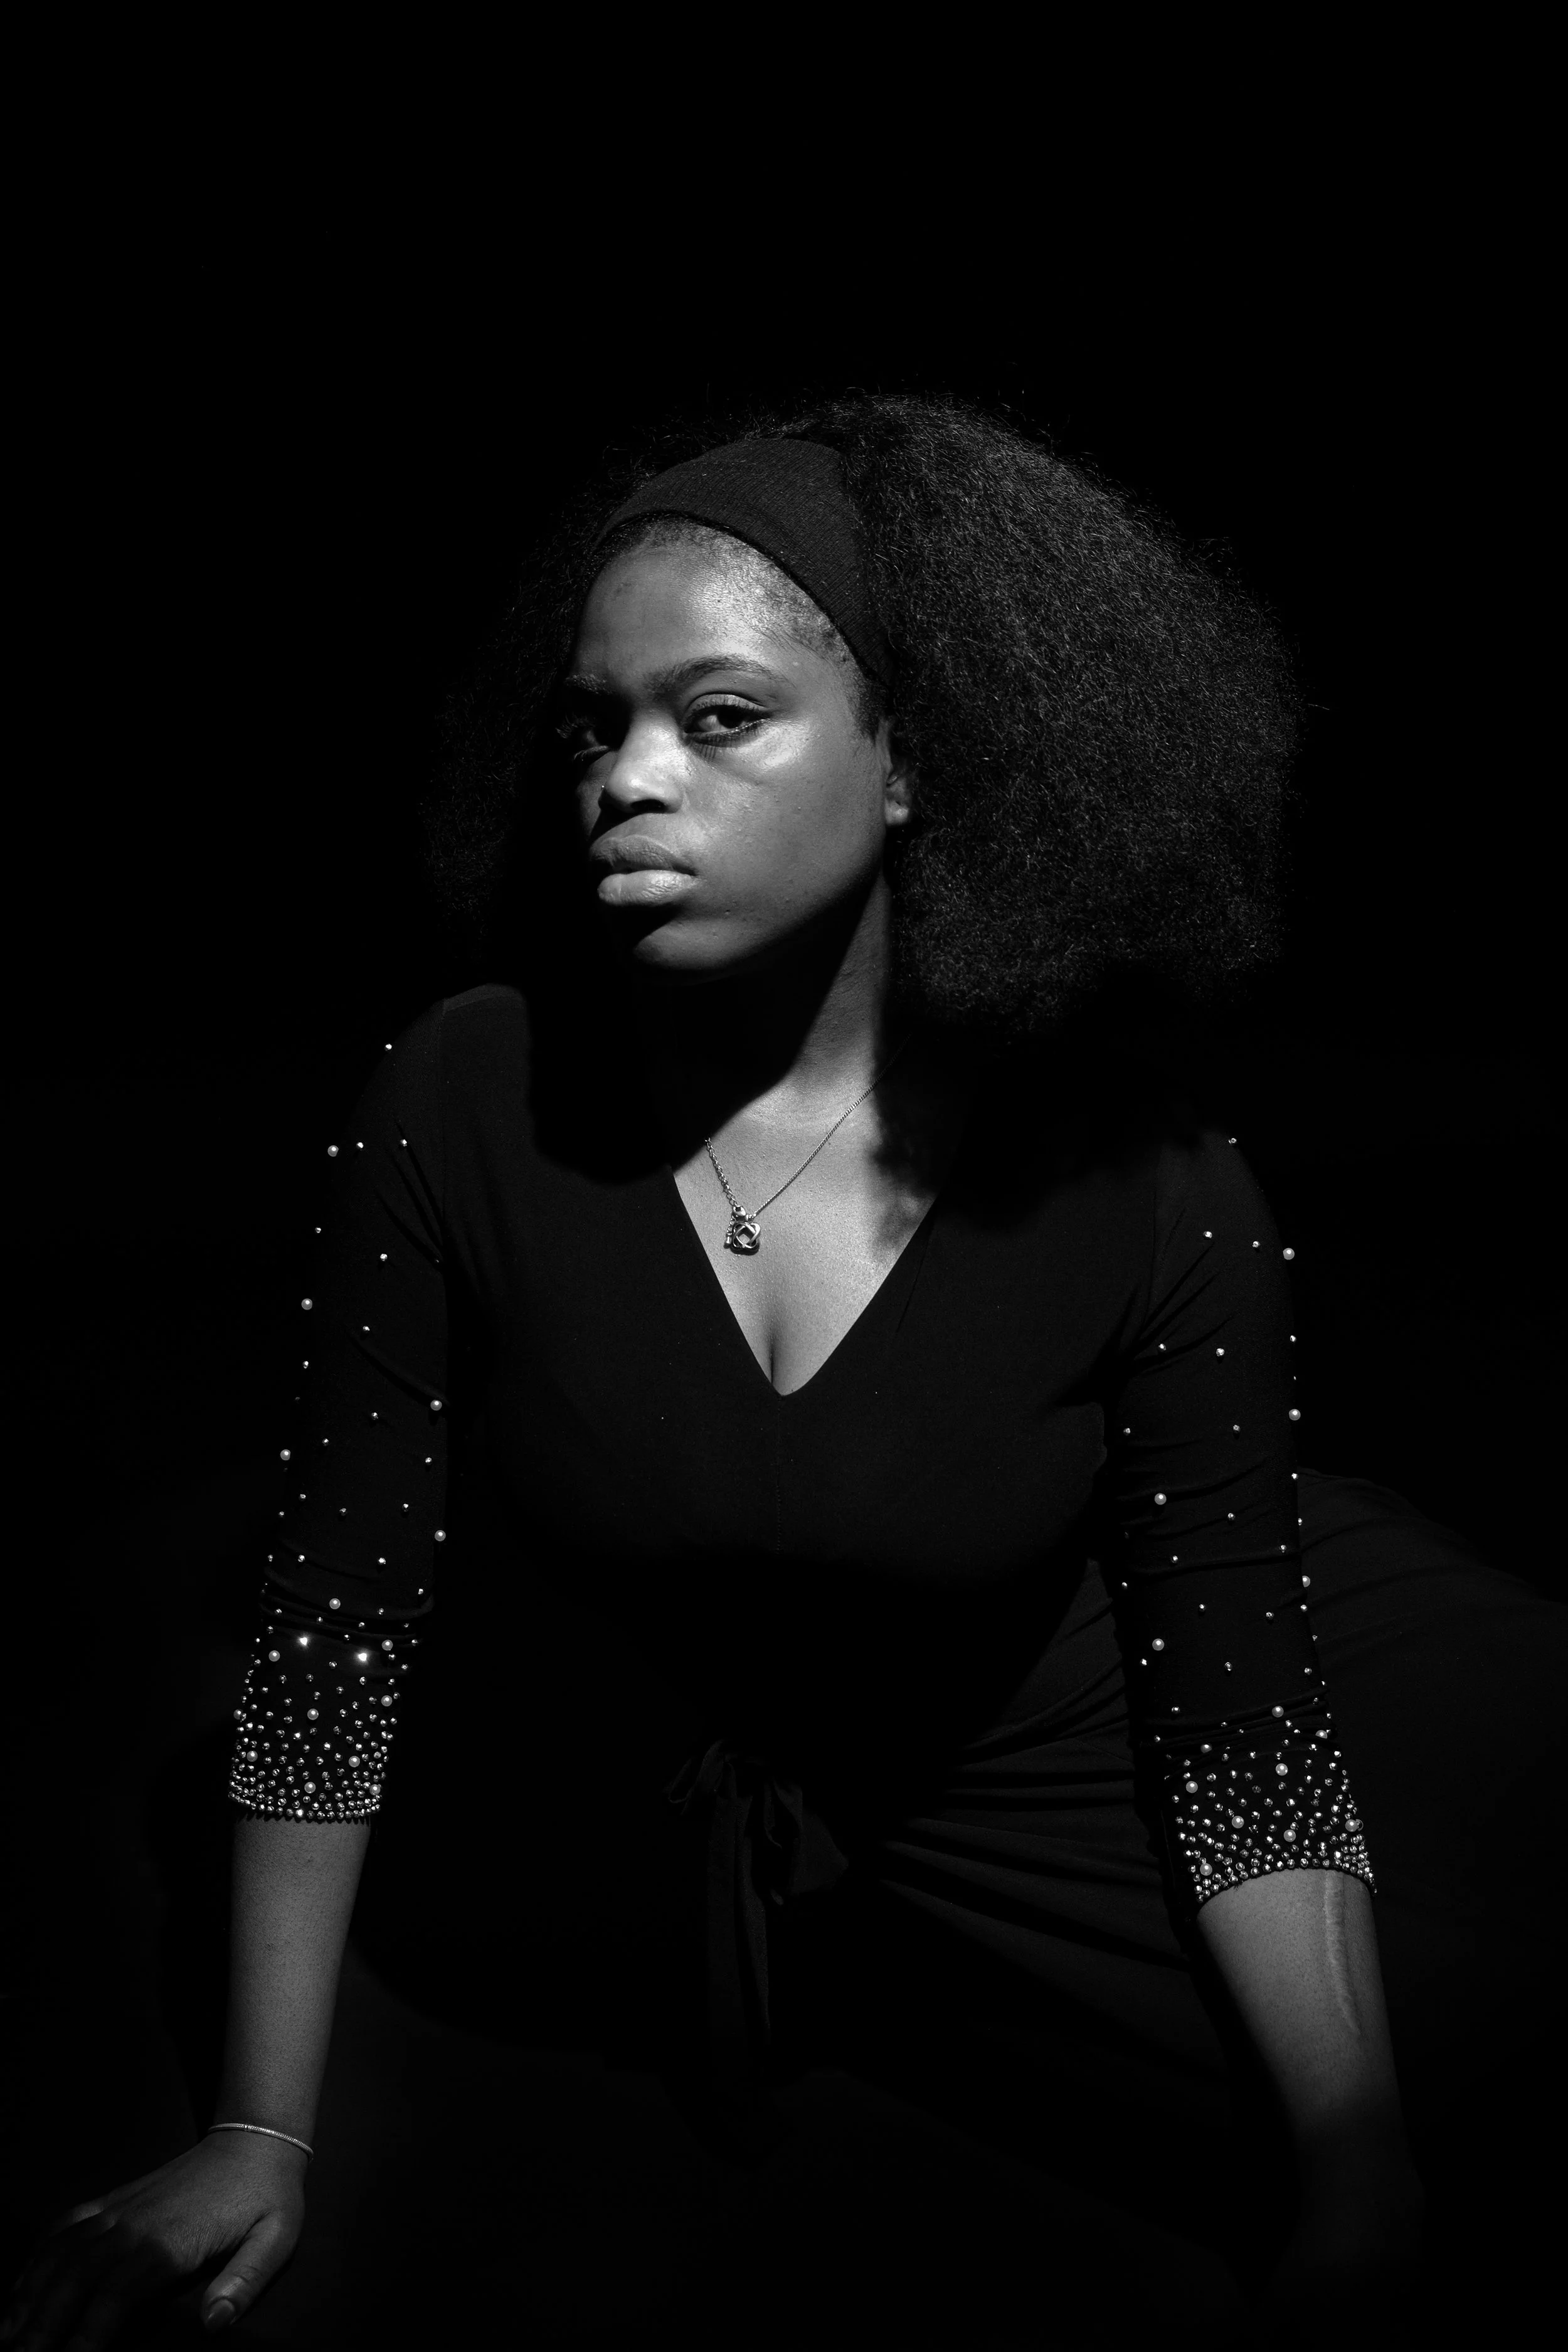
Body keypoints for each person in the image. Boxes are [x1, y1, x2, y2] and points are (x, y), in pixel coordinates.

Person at [6, 396, 1560, 2351]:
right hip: (753, 1809)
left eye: (718, 717)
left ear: (912, 761)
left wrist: (1352, 2163)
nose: (624, 782)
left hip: (1097, 1724)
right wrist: (256, 2126)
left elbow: (1236, 1699)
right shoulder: (464, 1100)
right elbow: (338, 1623)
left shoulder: (1149, 1179)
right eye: (594, 724)